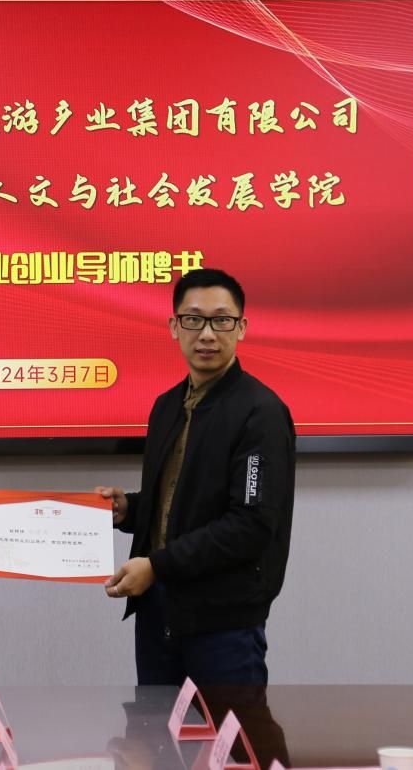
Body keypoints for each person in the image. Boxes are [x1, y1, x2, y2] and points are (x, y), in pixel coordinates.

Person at [100, 268, 295, 686]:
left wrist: (157, 565)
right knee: (155, 728)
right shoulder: (166, 406)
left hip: (224, 622)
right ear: (174, 326)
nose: (206, 334)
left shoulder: (261, 412)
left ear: (241, 327)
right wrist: (129, 509)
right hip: (158, 609)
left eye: (221, 320)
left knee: (231, 730)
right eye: (193, 319)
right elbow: (181, 499)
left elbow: (249, 526)